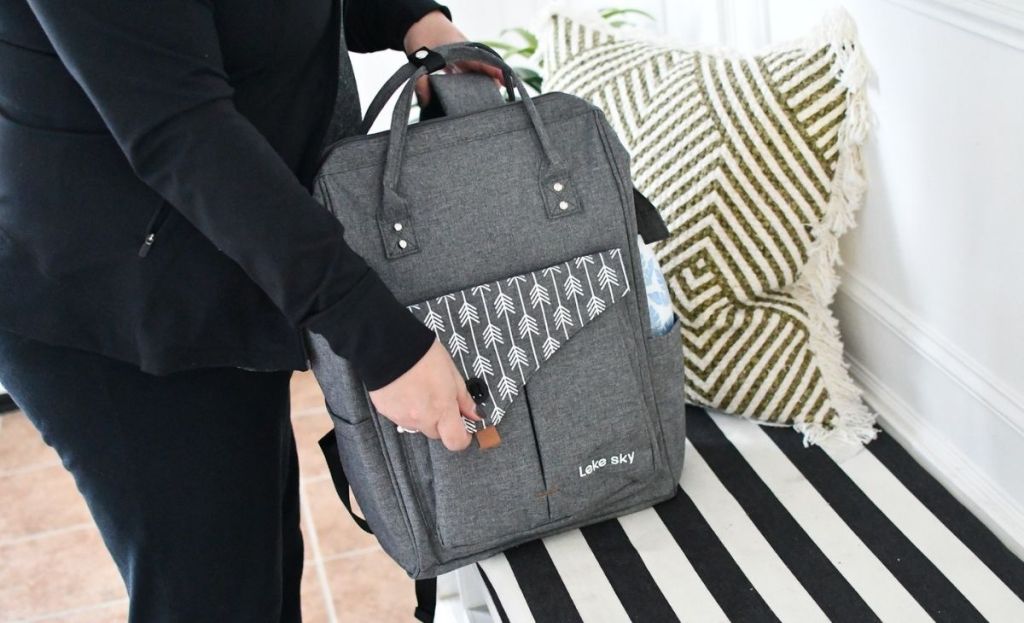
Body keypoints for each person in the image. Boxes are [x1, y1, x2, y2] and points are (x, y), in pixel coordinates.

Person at [0, 1, 499, 620]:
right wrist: (379, 339)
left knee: (257, 575)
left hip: (225, 265)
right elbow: (182, 131)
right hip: (120, 311)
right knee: (219, 598)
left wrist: (411, 18)